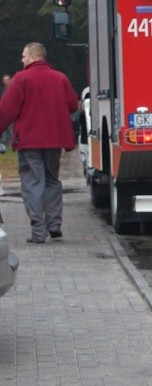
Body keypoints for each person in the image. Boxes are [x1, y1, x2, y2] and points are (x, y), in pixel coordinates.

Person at [0, 43, 77, 243]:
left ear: (33, 56)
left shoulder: (21, 79)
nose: (22, 59)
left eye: (24, 55)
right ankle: (54, 226)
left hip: (29, 141)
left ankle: (38, 230)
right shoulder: (60, 78)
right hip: (54, 140)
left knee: (33, 182)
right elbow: (73, 104)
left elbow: (7, 110)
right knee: (52, 180)